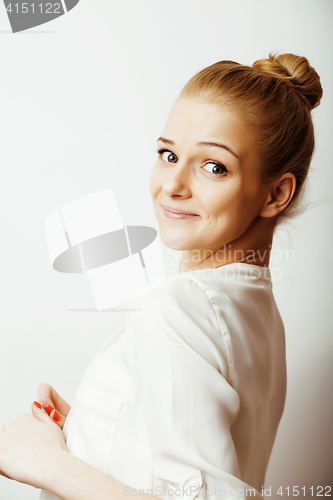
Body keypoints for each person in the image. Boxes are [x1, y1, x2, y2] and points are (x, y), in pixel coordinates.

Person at [0, 52, 323, 500]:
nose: (172, 184)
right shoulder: (260, 315)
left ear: (277, 193)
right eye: (168, 154)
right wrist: (93, 432)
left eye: (214, 166)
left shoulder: (175, 307)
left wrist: (47, 465)